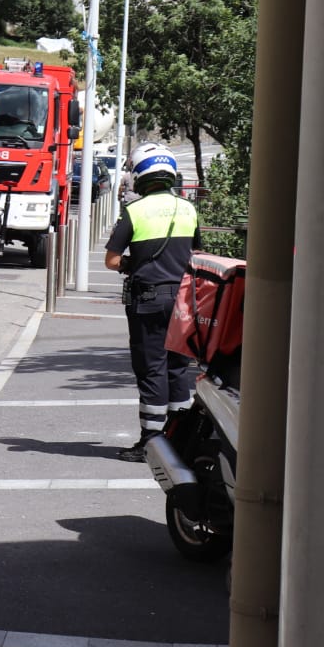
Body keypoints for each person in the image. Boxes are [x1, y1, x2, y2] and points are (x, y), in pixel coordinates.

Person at [104, 142, 199, 462]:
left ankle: (152, 443)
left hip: (148, 300)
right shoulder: (188, 209)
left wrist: (136, 264)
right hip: (184, 300)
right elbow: (195, 254)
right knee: (177, 369)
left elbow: (112, 260)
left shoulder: (135, 211)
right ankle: (183, 440)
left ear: (141, 176)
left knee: (152, 369)